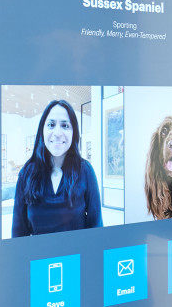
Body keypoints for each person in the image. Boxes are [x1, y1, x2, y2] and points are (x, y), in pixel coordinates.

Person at [11, 98, 103, 236]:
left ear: (74, 132)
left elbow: (96, 227)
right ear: (42, 130)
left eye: (65, 126)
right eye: (51, 125)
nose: (58, 132)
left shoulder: (85, 171)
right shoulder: (26, 173)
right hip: (39, 256)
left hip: (77, 256)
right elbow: (18, 232)